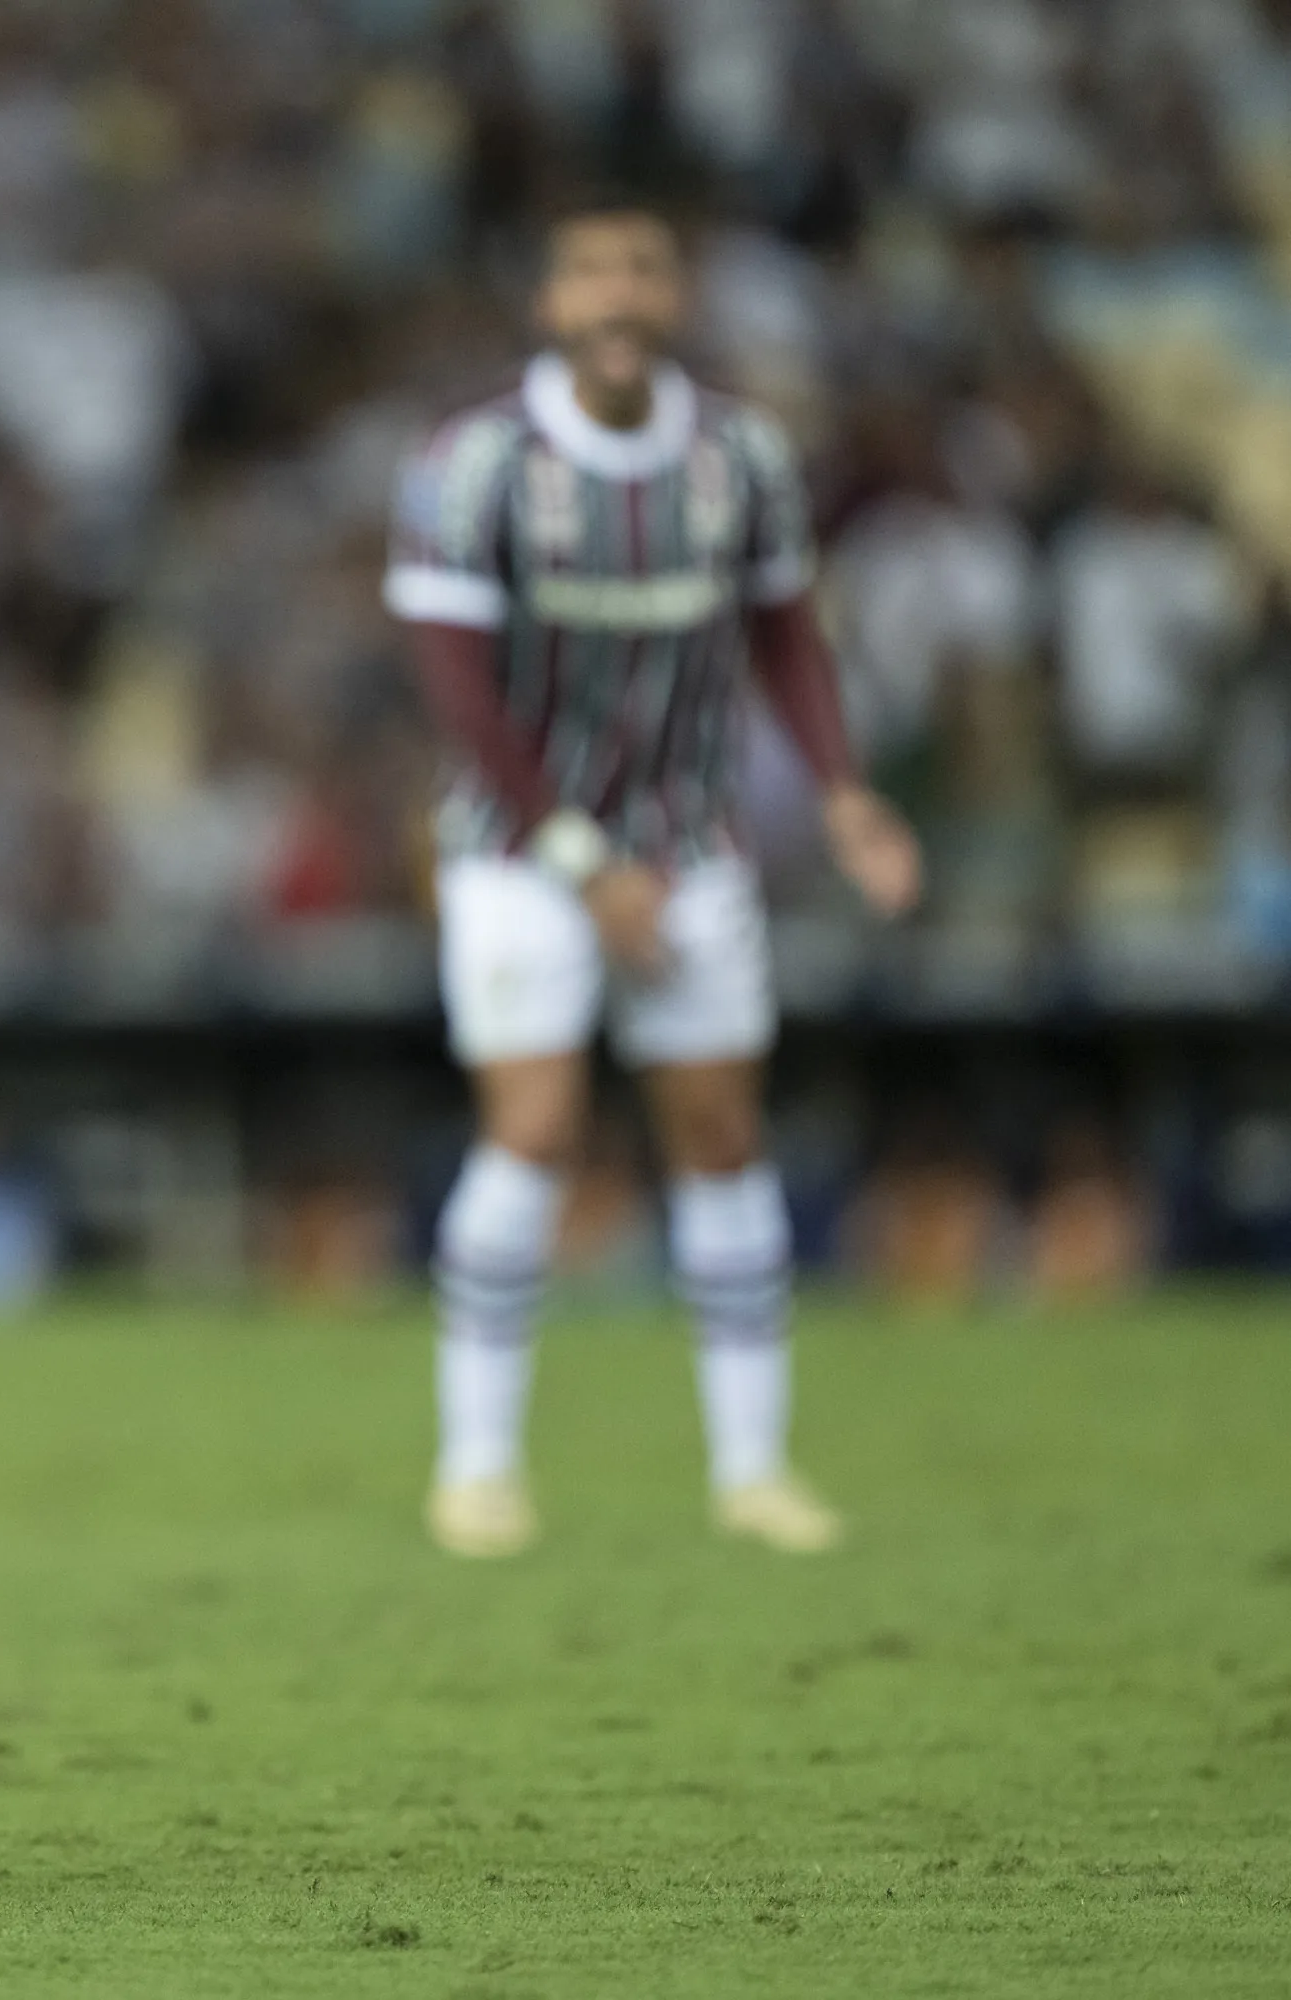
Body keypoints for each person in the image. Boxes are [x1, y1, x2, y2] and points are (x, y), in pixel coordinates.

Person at [383, 200, 921, 1560]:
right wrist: (582, 860)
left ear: (674, 293)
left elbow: (789, 638)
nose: (619, 294)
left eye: (643, 268)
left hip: (688, 849)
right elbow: (461, 697)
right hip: (519, 854)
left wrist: (848, 795)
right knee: (538, 1124)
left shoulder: (741, 457)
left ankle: (754, 1471)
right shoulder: (477, 463)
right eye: (591, 271)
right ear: (552, 302)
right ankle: (478, 1466)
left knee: (723, 1131)